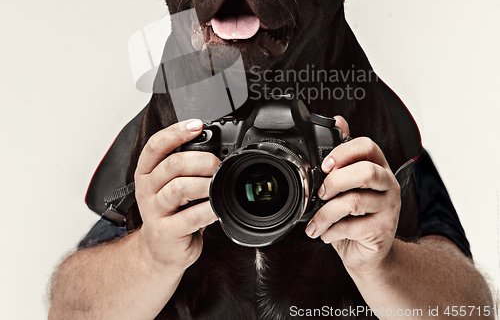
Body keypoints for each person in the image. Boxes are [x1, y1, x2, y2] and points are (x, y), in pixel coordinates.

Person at [48, 115, 494, 320]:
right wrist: (151, 254)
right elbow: (67, 312)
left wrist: (382, 262)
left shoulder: (372, 157)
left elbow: (472, 313)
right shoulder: (186, 154)